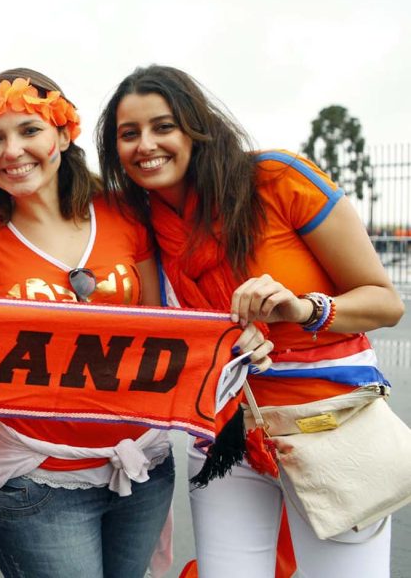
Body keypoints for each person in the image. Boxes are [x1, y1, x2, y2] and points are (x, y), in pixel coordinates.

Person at [0, 69, 270, 578]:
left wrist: (234, 337)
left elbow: (162, 323)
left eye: (29, 131)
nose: (12, 150)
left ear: (63, 133)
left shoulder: (126, 213)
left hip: (142, 467)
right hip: (40, 480)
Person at [96, 64, 404, 577]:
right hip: (223, 439)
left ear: (197, 127)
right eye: (129, 134)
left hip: (330, 429)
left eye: (163, 126)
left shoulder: (277, 180)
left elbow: (384, 302)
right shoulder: (138, 220)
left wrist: (304, 308)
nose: (146, 144)